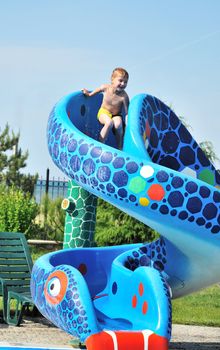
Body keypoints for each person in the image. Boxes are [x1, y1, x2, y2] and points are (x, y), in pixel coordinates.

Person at [82, 67, 129, 150]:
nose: (123, 84)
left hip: (116, 114)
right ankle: (100, 144)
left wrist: (128, 123)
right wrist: (88, 94)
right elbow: (95, 92)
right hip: (104, 112)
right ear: (112, 80)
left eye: (125, 82)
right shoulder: (105, 88)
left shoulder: (124, 96)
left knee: (118, 125)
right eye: (120, 80)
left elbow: (127, 112)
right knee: (109, 123)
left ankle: (120, 147)